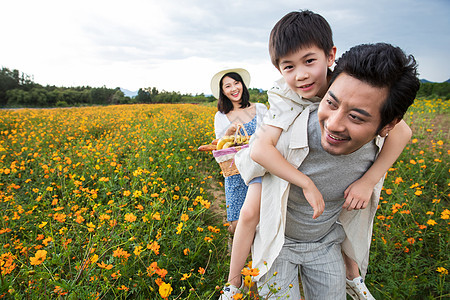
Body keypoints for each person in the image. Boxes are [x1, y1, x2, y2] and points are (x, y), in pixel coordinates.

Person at [220, 11, 413, 300]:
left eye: (309, 61)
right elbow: (261, 150)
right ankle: (233, 284)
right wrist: (305, 182)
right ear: (279, 69)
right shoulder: (283, 94)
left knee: (346, 218)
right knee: (249, 213)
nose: (301, 75)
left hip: (314, 213)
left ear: (330, 55)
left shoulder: (349, 81)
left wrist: (369, 180)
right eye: (288, 66)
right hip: (274, 156)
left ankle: (353, 276)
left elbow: (402, 132)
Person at [211, 68, 268, 234]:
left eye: (236, 83)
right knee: (237, 225)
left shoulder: (261, 108)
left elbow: (270, 138)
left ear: (242, 85)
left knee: (261, 220)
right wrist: (228, 133)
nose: (234, 88)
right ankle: (232, 237)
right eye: (228, 86)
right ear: (223, 91)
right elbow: (222, 149)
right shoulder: (221, 116)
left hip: (261, 169)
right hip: (236, 172)